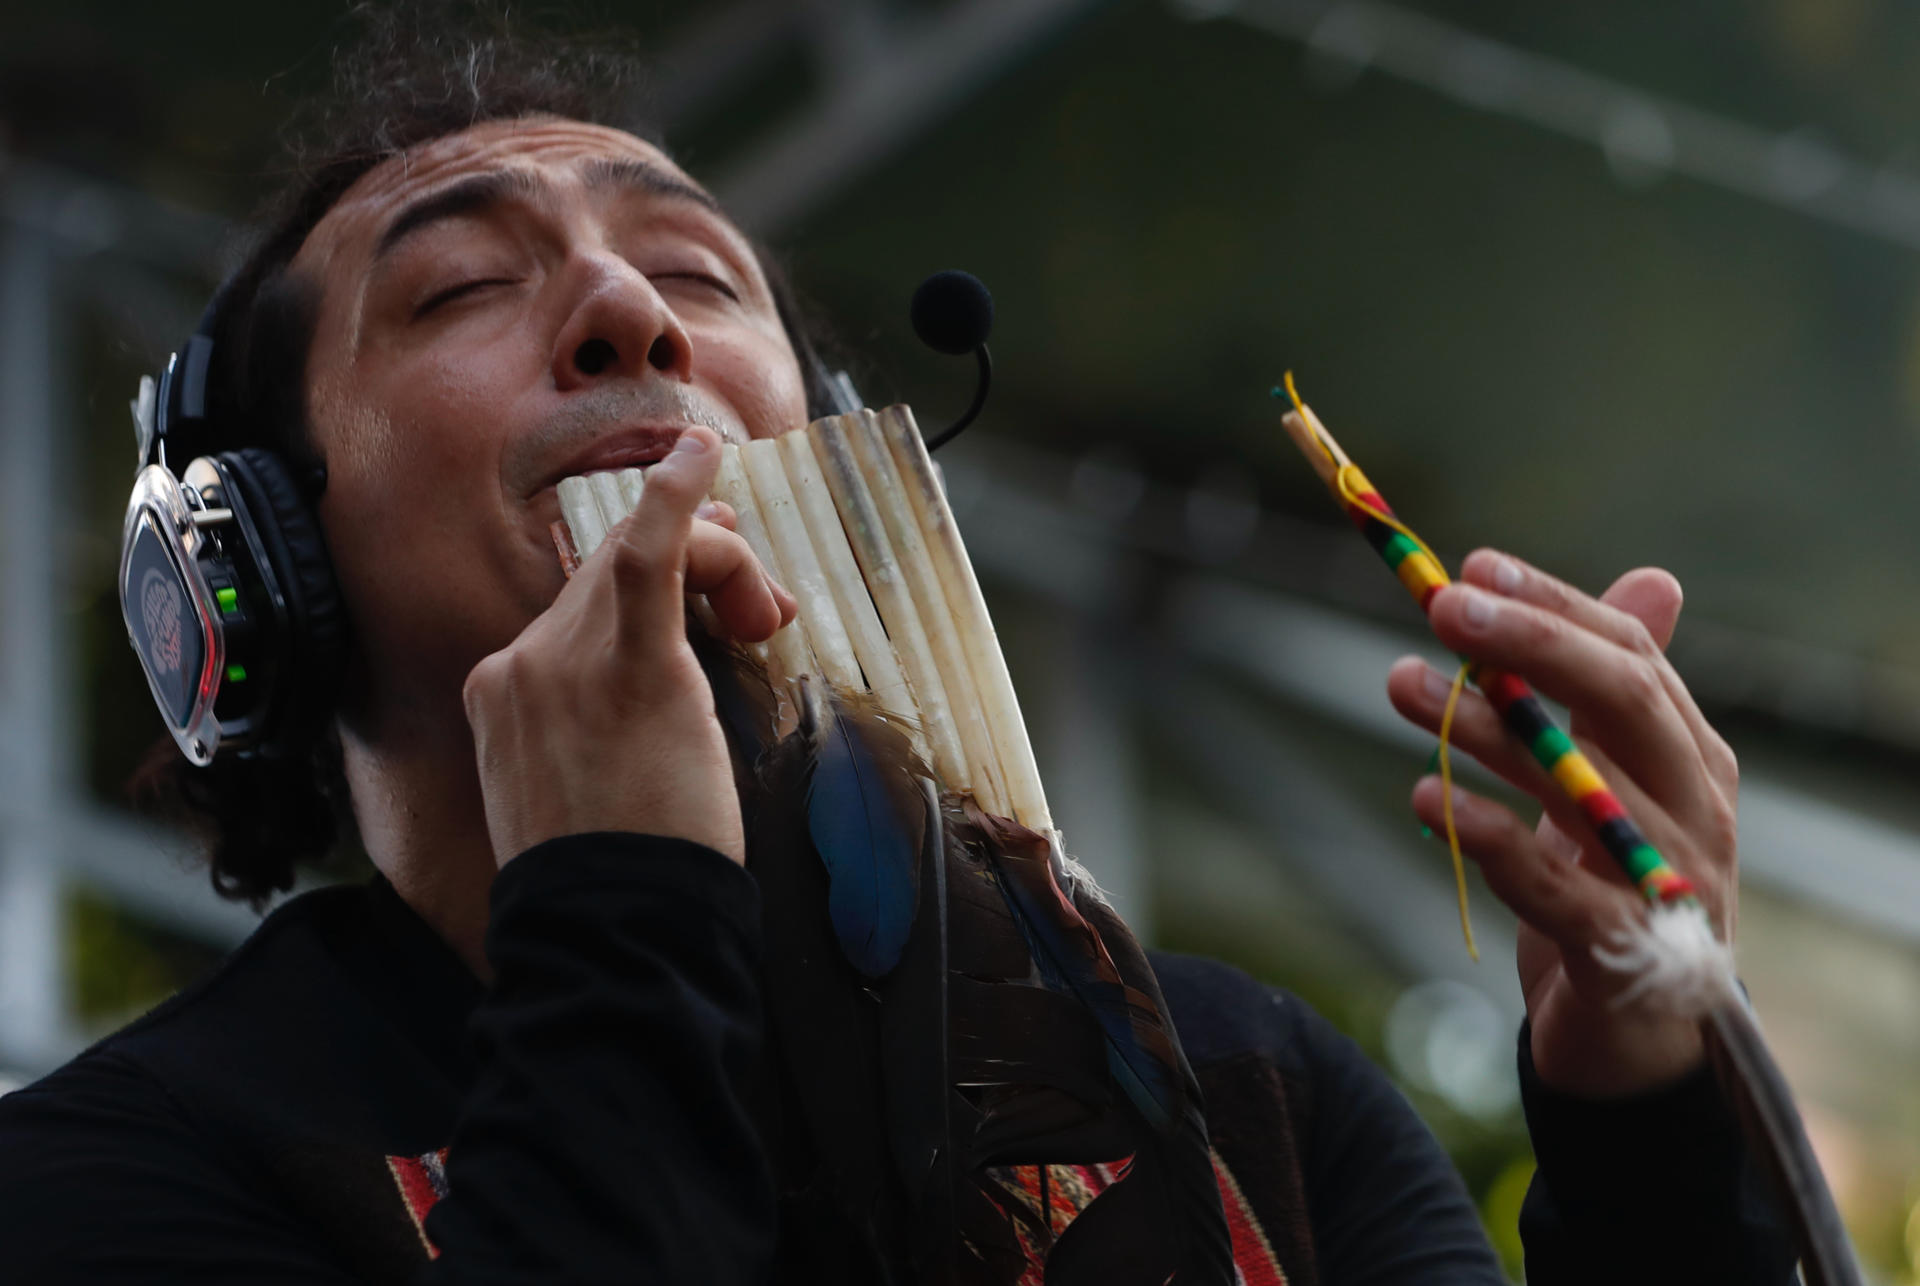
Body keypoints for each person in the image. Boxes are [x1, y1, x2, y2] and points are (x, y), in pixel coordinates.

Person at [0, 7, 1794, 1283]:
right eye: (461, 289)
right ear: (252, 565)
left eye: (700, 279)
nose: (628, 313)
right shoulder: (127, 1168)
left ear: (832, 436)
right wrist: (620, 910)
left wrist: (1645, 1132)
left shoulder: (1242, 1080)